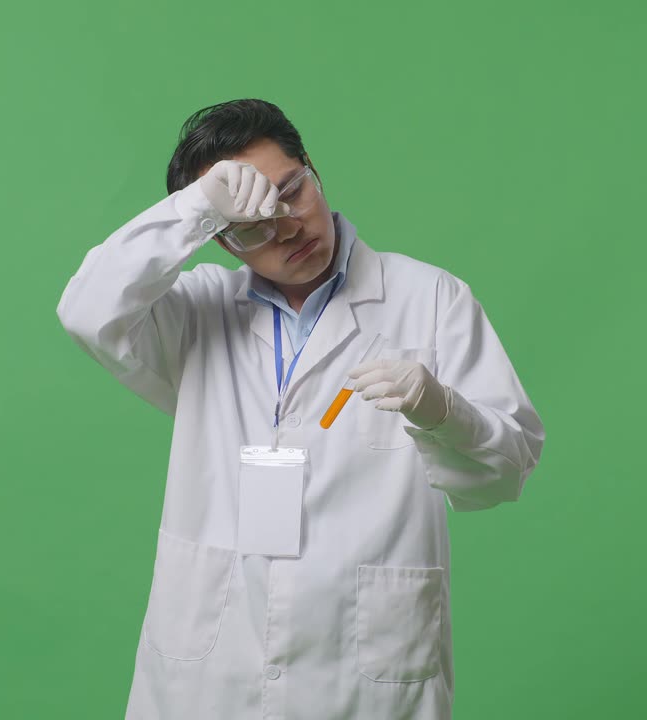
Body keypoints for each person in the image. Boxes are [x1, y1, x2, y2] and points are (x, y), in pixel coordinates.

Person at [55, 98, 544, 719]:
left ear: (313, 169)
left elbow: (506, 472)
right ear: (222, 240)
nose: (288, 226)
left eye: (293, 192)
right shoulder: (194, 313)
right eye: (253, 221)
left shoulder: (431, 300)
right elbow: (86, 310)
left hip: (365, 672)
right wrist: (197, 207)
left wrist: (441, 408)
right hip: (210, 671)